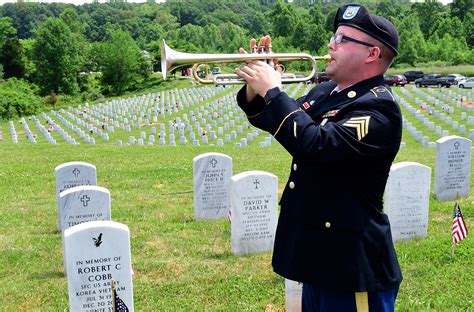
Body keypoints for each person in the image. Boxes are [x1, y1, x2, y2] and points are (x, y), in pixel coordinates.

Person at [235, 4, 402, 312]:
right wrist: (255, 88)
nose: (330, 44)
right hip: (318, 257)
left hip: (351, 265)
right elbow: (276, 121)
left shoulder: (378, 109)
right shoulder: (326, 91)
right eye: (334, 36)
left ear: (372, 54)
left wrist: (274, 91)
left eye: (342, 38)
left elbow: (315, 145)